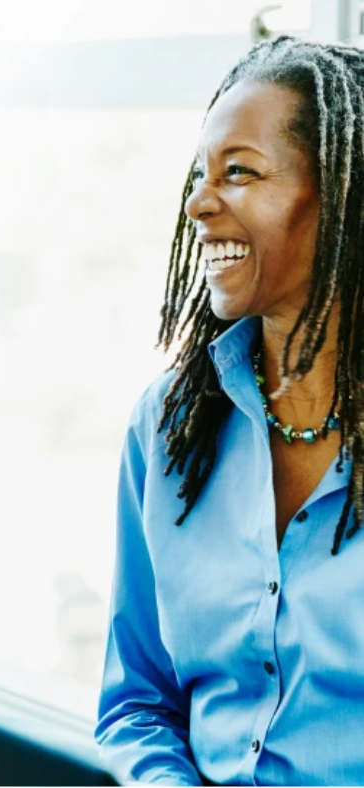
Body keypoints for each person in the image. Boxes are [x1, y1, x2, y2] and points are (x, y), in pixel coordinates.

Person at [95, 35, 364, 786]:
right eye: (198, 176)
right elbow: (136, 702)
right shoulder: (165, 426)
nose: (198, 204)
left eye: (238, 172)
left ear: (343, 193)